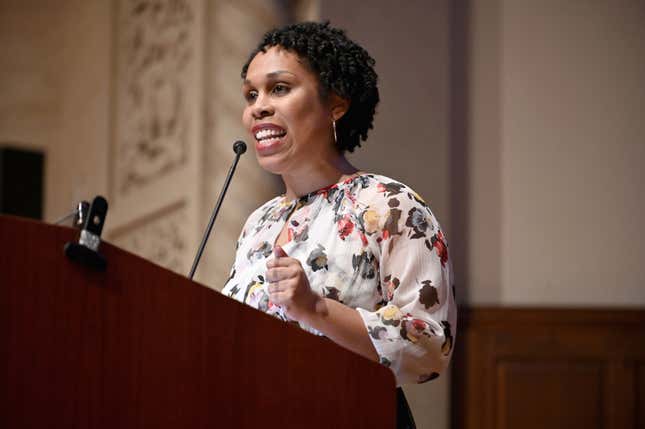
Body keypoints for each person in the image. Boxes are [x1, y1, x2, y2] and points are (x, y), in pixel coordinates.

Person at [222, 21, 456, 428]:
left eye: (279, 88)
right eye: (250, 94)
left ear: (336, 104)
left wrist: (315, 308)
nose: (257, 106)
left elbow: (429, 345)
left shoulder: (387, 203)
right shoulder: (258, 223)